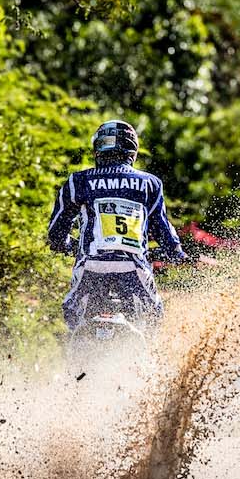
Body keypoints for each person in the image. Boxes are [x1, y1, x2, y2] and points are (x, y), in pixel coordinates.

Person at [47, 119, 187, 332]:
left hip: (91, 266)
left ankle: (75, 349)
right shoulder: (150, 183)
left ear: (98, 149)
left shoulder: (78, 181)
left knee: (72, 314)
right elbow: (161, 228)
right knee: (153, 316)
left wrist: (62, 244)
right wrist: (176, 253)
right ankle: (150, 353)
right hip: (134, 268)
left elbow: (57, 228)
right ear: (132, 150)